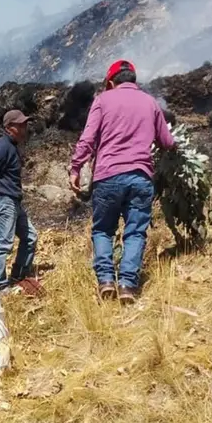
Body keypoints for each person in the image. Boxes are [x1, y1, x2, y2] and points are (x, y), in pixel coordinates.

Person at [68, 59, 176, 304]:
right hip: (140, 177)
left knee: (103, 230)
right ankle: (128, 284)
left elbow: (88, 139)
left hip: (107, 177)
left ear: (110, 82)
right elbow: (167, 142)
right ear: (134, 80)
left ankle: (106, 280)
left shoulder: (102, 100)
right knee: (135, 233)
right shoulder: (150, 102)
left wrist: (76, 167)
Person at [0, 109, 40, 295]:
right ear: (9, 128)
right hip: (5, 201)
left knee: (30, 237)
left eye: (25, 124)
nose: (25, 128)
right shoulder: (1, 147)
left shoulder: (11, 146)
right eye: (20, 125)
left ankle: (19, 274)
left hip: (14, 201)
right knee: (3, 243)